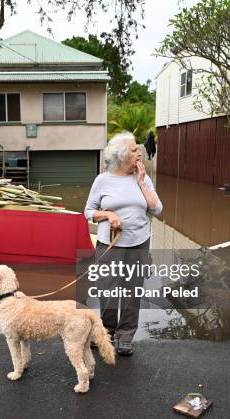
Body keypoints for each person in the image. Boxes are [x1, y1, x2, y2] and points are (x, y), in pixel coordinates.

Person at [84, 131, 163, 356]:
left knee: (132, 290)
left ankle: (125, 335)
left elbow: (157, 209)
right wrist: (108, 215)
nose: (139, 152)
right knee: (106, 289)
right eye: (134, 149)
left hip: (139, 243)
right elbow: (88, 212)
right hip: (109, 244)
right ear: (121, 155)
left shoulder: (143, 178)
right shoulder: (102, 180)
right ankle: (107, 331)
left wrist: (141, 183)